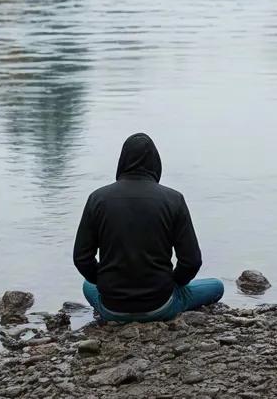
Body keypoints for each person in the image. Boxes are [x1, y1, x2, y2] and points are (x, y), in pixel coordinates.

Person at [73, 132, 224, 322]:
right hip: (160, 305)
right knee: (217, 286)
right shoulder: (174, 199)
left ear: (122, 162)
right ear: (156, 163)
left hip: (112, 307)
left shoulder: (97, 199)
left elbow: (81, 257)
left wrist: (103, 282)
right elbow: (191, 261)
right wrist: (173, 283)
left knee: (88, 285)